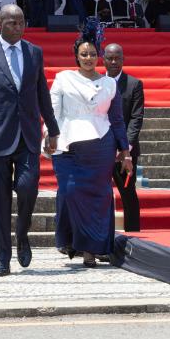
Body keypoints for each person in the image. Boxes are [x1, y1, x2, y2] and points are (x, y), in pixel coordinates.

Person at [0, 4, 60, 276]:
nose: (18, 27)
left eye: (21, 22)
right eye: (12, 23)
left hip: (29, 135)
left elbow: (42, 92)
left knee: (28, 188)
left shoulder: (34, 52)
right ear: (0, 23)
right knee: (0, 201)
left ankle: (22, 233)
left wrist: (52, 130)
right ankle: (3, 258)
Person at [49, 20, 132, 268]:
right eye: (84, 54)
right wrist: (48, 135)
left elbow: (116, 119)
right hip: (68, 146)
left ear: (99, 56)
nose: (88, 58)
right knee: (69, 192)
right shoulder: (63, 78)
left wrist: (125, 151)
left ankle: (91, 249)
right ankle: (72, 240)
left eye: (93, 54)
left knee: (100, 197)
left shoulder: (109, 83)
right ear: (76, 55)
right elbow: (53, 113)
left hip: (102, 146)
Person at [104, 43, 143, 232]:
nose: (113, 62)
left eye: (117, 58)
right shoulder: (94, 82)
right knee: (99, 195)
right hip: (99, 149)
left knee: (128, 194)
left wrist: (124, 147)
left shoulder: (134, 84)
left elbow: (136, 118)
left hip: (124, 152)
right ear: (103, 60)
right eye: (109, 58)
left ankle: (134, 236)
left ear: (123, 60)